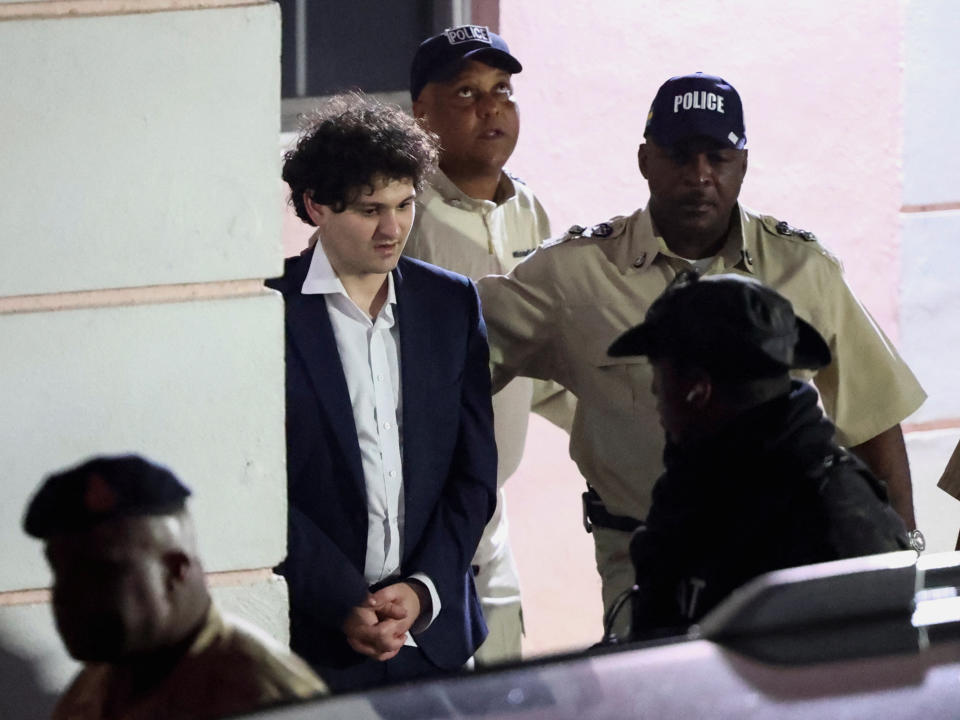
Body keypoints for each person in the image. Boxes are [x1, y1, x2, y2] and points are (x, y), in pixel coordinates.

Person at [476, 72, 926, 636]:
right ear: (645, 160)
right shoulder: (575, 275)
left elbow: (874, 415)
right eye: (680, 155)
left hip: (784, 556)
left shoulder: (803, 269)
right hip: (644, 552)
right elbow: (449, 359)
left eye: (718, 156)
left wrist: (905, 561)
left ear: (743, 164)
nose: (699, 176)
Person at [269, 93, 497, 691]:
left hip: (433, 634)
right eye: (371, 210)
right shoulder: (266, 313)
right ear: (316, 205)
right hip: (314, 639)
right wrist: (341, 599)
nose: (392, 229)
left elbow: (473, 476)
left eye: (404, 205)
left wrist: (424, 590)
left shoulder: (450, 303)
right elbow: (257, 487)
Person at [603, 272, 910, 638]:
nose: (654, 390)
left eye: (660, 375)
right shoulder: (699, 483)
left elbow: (868, 676)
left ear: (697, 391)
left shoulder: (835, 516)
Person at [405, 25, 574, 665]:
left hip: (489, 513)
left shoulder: (527, 210)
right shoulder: (400, 213)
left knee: (506, 683)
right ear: (423, 112)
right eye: (467, 93)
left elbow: (551, 356)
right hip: (417, 516)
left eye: (502, 91)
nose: (492, 108)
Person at [22, 454, 326, 720]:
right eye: (60, 572)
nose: (65, 596)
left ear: (174, 571)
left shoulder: (266, 698)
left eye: (98, 573)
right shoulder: (97, 684)